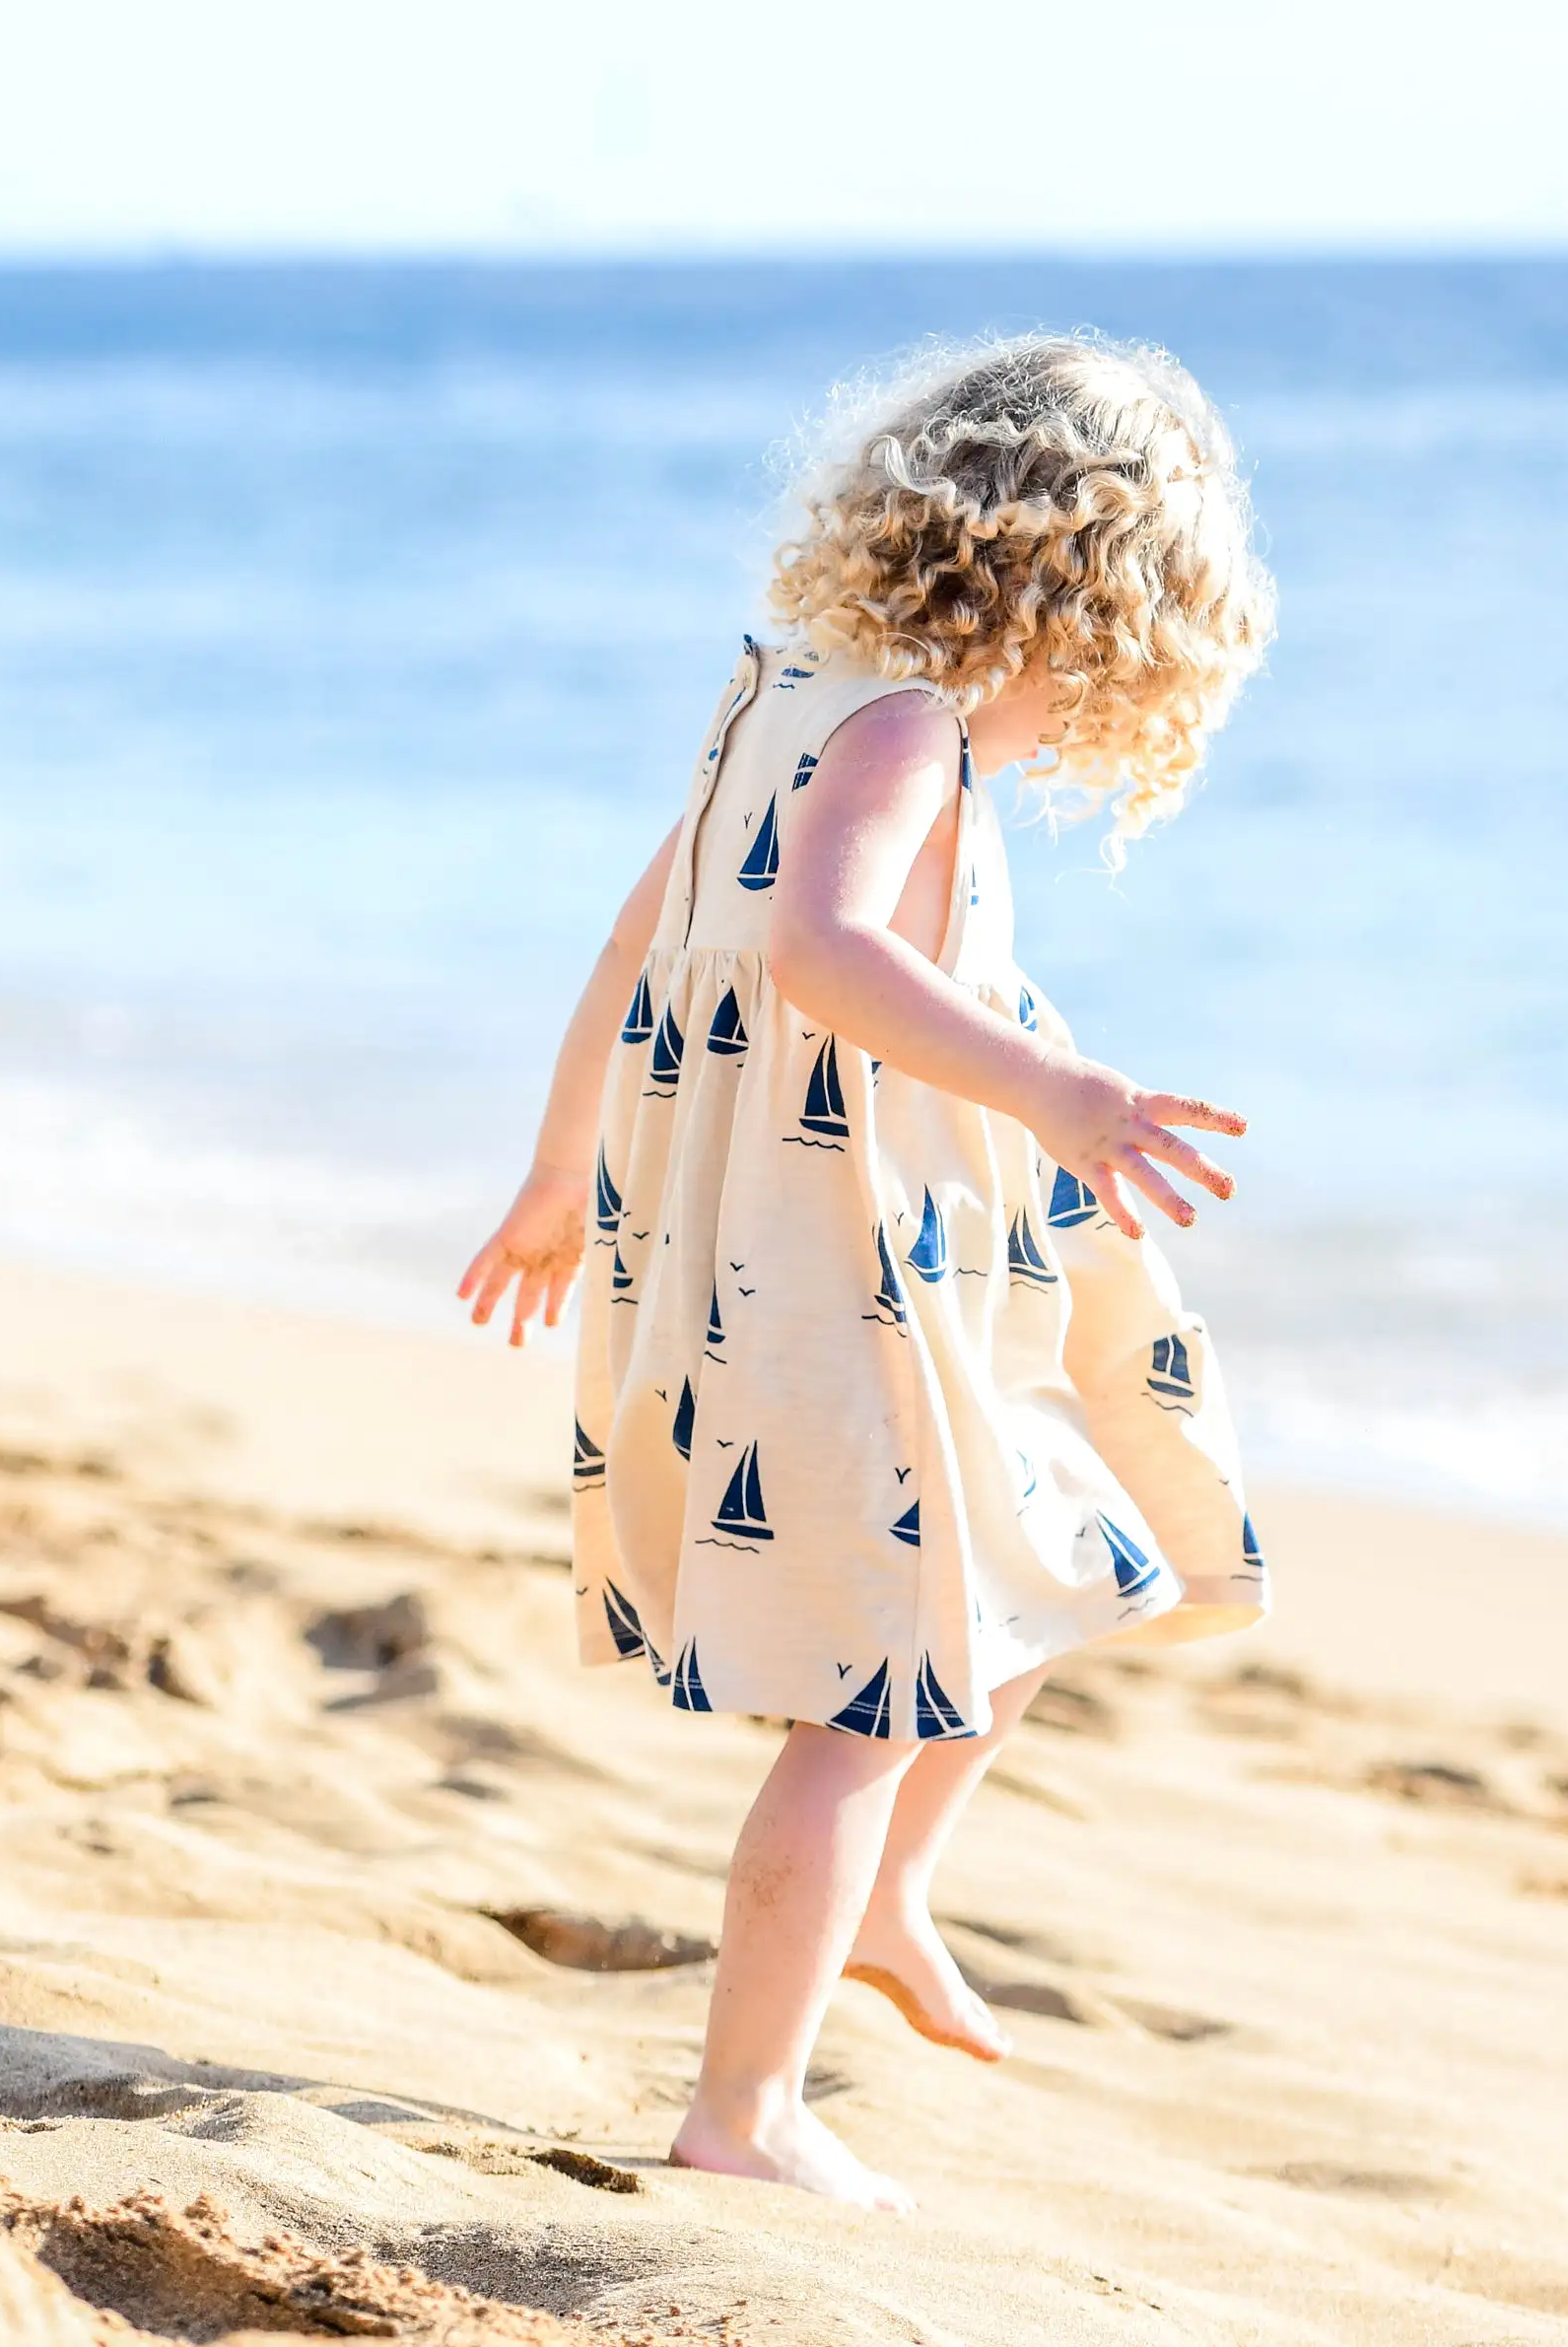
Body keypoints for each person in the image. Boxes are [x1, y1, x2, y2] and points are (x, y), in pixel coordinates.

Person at [458, 333, 1276, 2209]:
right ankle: (740, 2112)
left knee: (1051, 1551)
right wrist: (1060, 1087)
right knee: (878, 1696)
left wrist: (557, 1166)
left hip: (835, 1254)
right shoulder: (902, 731)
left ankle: (894, 1895)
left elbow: (637, 941)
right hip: (838, 1281)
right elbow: (823, 951)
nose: (1091, 717)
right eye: (1112, 666)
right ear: (1084, 593)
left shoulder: (783, 691)